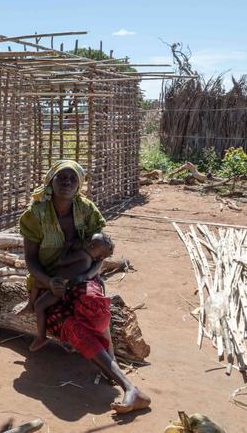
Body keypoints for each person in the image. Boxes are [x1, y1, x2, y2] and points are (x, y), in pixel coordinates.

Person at [19, 160, 150, 414]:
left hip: (83, 277)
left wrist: (86, 276)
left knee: (96, 308)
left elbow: (99, 254)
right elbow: (31, 261)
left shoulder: (87, 210)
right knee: (71, 327)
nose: (66, 182)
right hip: (48, 283)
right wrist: (50, 282)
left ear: (79, 184)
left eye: (72, 179)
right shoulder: (35, 215)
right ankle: (128, 386)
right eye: (61, 177)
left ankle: (118, 373)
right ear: (50, 181)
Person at [28, 232, 114, 352]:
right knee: (37, 285)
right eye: (90, 241)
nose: (89, 244)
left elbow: (61, 261)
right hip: (68, 288)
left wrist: (66, 246)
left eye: (93, 245)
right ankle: (30, 306)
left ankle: (41, 336)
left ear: (98, 257)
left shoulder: (82, 255)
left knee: (39, 305)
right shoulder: (89, 262)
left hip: (60, 286)